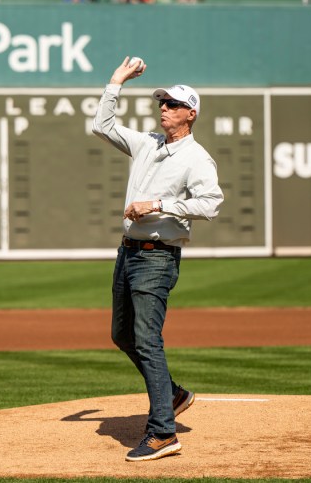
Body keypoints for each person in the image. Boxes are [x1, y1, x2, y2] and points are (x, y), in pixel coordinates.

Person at [92, 57, 223, 462]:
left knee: (148, 340)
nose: (164, 107)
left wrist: (159, 205)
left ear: (191, 114)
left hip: (157, 257)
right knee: (123, 336)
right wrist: (116, 81)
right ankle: (175, 394)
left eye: (172, 103)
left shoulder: (196, 158)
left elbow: (211, 203)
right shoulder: (148, 142)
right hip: (128, 252)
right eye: (162, 102)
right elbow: (103, 126)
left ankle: (164, 432)